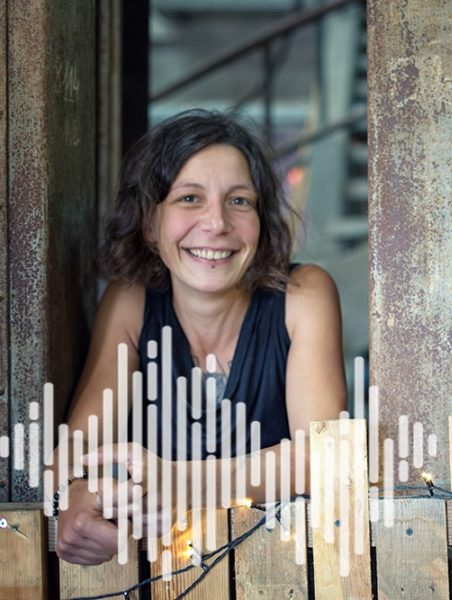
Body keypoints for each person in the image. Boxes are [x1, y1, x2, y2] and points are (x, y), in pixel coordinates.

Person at [54, 109, 347, 564]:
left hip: (276, 574)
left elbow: (324, 458)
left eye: (239, 201)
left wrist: (182, 483)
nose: (216, 224)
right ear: (150, 224)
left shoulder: (304, 294)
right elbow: (76, 451)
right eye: (189, 198)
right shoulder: (130, 302)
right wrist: (76, 496)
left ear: (262, 220)